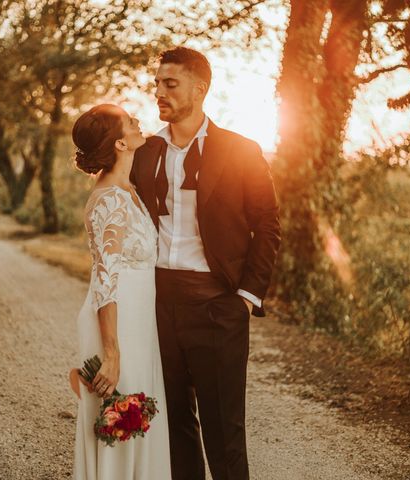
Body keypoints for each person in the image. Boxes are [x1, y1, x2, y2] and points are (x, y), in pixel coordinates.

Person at [131, 47, 281, 480]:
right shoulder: (144, 152)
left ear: (200, 88)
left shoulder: (241, 150)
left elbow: (267, 224)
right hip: (158, 304)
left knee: (224, 432)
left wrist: (246, 298)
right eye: (157, 83)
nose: (159, 92)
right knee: (173, 425)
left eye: (170, 84)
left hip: (218, 306)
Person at [69, 104, 171, 480]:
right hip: (119, 325)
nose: (137, 121)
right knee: (122, 426)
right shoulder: (109, 199)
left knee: (137, 427)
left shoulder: (127, 191)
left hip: (139, 324)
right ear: (120, 144)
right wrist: (111, 353)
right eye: (130, 121)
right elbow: (105, 279)